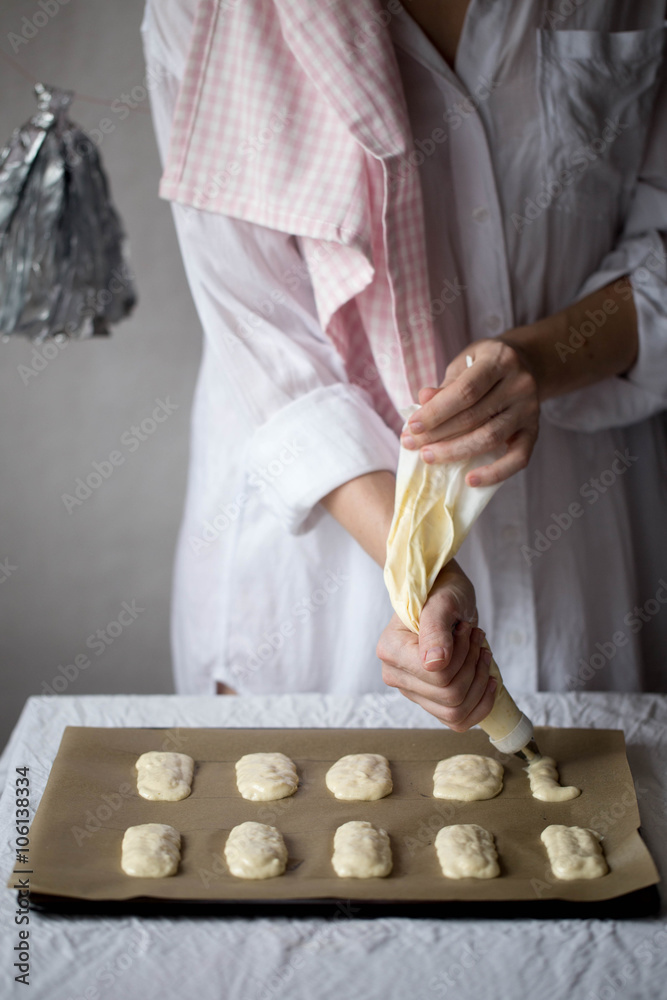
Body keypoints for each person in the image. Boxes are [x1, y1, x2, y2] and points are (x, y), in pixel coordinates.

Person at [140, 0, 667, 729]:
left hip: (582, 521)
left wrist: (539, 361)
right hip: (323, 540)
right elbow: (262, 331)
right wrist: (420, 572)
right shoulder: (205, 13)